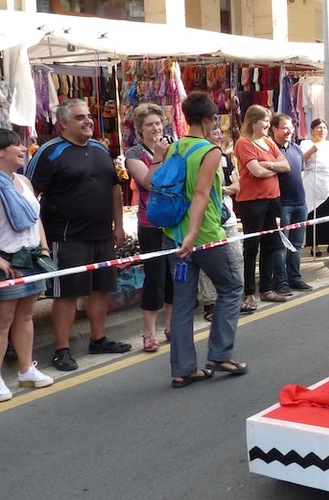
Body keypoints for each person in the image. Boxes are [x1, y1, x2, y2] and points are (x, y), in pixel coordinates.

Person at [26, 99, 131, 372]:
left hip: (102, 235)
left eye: (89, 116)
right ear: (63, 123)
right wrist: (39, 238)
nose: (88, 121)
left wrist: (118, 225)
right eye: (80, 117)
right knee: (67, 294)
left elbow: (114, 189)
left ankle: (98, 339)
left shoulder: (101, 149)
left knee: (101, 289)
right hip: (66, 236)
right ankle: (62, 349)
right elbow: (28, 194)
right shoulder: (49, 152)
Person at [161, 91, 246, 388]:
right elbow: (200, 194)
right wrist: (194, 234)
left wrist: (185, 236)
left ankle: (183, 370)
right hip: (205, 236)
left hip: (174, 235)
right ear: (209, 119)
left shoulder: (174, 148)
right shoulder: (210, 152)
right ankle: (219, 354)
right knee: (232, 287)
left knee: (183, 303)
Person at [0, 129, 55, 401]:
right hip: (7, 260)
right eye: (17, 145)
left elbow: (36, 219)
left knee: (25, 315)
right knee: (3, 320)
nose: (24, 149)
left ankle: (25, 370)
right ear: (1, 152)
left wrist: (43, 247)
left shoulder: (24, 180)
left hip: (32, 257)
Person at [123, 103, 174, 351]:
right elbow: (149, 182)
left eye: (158, 123)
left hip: (173, 221)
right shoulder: (134, 154)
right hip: (150, 223)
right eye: (149, 125)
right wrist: (158, 157)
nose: (155, 128)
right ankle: (149, 333)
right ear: (140, 129)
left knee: (175, 276)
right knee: (155, 277)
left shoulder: (173, 147)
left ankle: (172, 326)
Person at [234, 104, 290, 309]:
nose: (267, 124)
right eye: (264, 121)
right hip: (252, 201)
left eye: (268, 120)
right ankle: (249, 293)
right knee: (251, 247)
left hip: (273, 199)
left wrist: (267, 165)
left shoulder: (268, 141)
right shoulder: (243, 143)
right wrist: (274, 168)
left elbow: (286, 166)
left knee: (271, 244)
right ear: (253, 122)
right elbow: (255, 171)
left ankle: (267, 288)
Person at [197, 123, 244, 320]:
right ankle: (210, 304)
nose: (219, 137)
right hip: (207, 217)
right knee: (209, 261)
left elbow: (237, 186)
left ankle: (235, 300)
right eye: (214, 133)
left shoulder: (225, 158)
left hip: (227, 214)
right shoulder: (200, 158)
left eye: (220, 133)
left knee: (236, 255)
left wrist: (221, 190)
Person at [270, 114, 312, 293]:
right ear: (274, 129)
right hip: (282, 204)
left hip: (300, 203)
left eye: (291, 127)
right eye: (284, 128)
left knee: (296, 244)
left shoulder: (296, 148)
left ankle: (295, 278)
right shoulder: (271, 149)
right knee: (280, 246)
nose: (289, 131)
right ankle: (281, 282)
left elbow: (300, 174)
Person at [300, 118, 329, 256]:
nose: (322, 130)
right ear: (312, 130)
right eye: (319, 127)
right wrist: (312, 150)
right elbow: (302, 161)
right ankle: (315, 245)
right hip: (315, 180)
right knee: (316, 211)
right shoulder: (306, 143)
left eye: (324, 128)